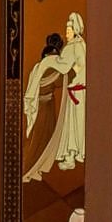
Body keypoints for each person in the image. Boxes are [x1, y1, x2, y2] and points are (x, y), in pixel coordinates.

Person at [22, 12, 87, 181]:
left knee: (75, 126)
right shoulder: (77, 45)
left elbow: (64, 67)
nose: (67, 33)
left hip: (76, 91)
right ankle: (69, 156)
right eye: (66, 29)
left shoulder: (74, 47)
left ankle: (71, 155)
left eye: (69, 29)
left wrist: (48, 62)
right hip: (73, 91)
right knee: (69, 126)